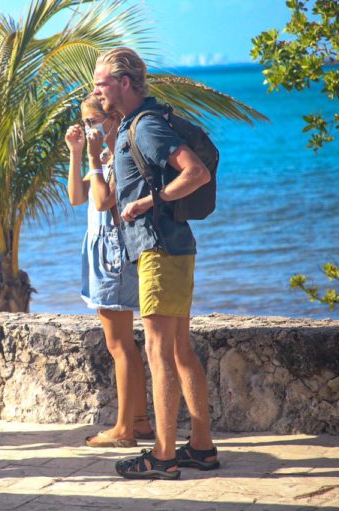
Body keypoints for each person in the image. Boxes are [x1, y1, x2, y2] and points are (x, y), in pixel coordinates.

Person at [92, 48, 219, 480]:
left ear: (125, 83)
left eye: (102, 82)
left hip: (160, 249)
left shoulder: (145, 126)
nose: (96, 90)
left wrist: (151, 200)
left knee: (159, 350)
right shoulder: (136, 124)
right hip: (172, 247)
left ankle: (163, 456)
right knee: (180, 349)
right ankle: (200, 448)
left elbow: (195, 172)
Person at [65, 95, 154, 447]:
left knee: (120, 345)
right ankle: (140, 423)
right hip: (102, 250)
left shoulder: (118, 154)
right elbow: (77, 197)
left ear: (111, 119)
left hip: (114, 252)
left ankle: (124, 430)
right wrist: (77, 153)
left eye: (93, 123)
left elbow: (103, 201)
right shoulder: (104, 156)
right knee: (121, 344)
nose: (89, 130)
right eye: (85, 124)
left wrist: (92, 156)